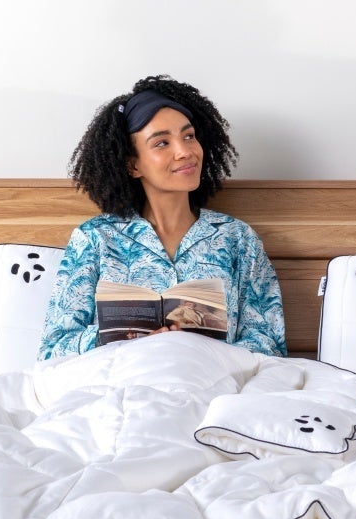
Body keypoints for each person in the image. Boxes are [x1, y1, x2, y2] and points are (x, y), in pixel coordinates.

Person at [39, 74, 287, 359]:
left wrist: (193, 347)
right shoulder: (95, 239)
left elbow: (270, 346)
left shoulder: (237, 238)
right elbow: (52, 351)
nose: (185, 152)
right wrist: (122, 339)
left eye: (189, 136)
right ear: (132, 165)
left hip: (211, 386)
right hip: (121, 386)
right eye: (161, 143)